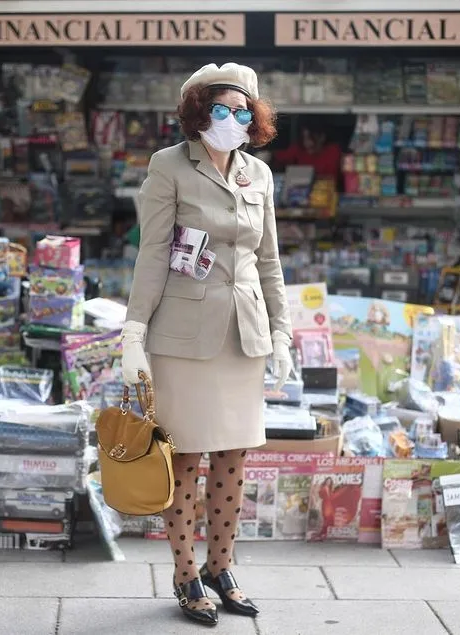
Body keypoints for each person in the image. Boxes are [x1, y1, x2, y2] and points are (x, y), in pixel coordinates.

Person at [119, 62, 293, 627]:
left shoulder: (258, 174)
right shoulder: (168, 165)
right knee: (186, 457)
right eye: (221, 109)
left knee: (234, 455)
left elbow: (269, 260)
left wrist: (283, 332)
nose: (232, 120)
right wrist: (133, 333)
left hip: (244, 333)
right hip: (183, 335)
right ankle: (185, 572)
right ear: (199, 112)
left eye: (242, 112)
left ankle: (222, 566)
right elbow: (152, 253)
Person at [273, 116, 343, 179]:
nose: (307, 143)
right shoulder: (298, 149)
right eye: (304, 137)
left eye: (311, 137)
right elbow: (275, 157)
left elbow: (332, 177)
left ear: (322, 137)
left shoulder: (333, 151)